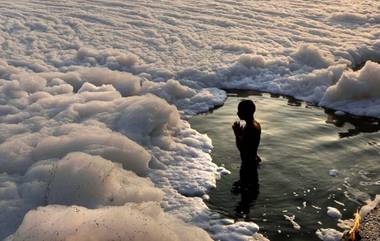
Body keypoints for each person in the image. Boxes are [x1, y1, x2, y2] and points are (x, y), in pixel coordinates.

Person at [232, 99, 261, 191]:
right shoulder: (255, 124)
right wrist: (241, 134)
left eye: (240, 111)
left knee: (246, 193)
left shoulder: (249, 127)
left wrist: (237, 134)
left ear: (246, 112)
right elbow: (250, 144)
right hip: (253, 159)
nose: (238, 113)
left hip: (248, 165)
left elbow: (242, 148)